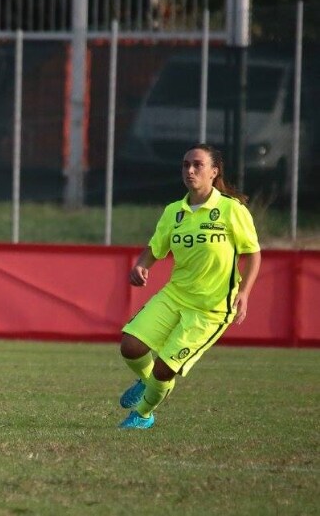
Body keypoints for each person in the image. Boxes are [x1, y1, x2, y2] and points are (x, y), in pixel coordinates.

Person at [117, 143, 262, 429]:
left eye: (198, 165)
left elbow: (253, 253)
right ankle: (146, 382)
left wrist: (245, 292)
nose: (190, 170)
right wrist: (141, 265)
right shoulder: (174, 211)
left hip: (210, 308)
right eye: (186, 165)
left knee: (164, 370)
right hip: (175, 295)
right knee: (130, 346)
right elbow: (156, 248)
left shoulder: (231, 209)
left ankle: (143, 414)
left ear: (214, 172)